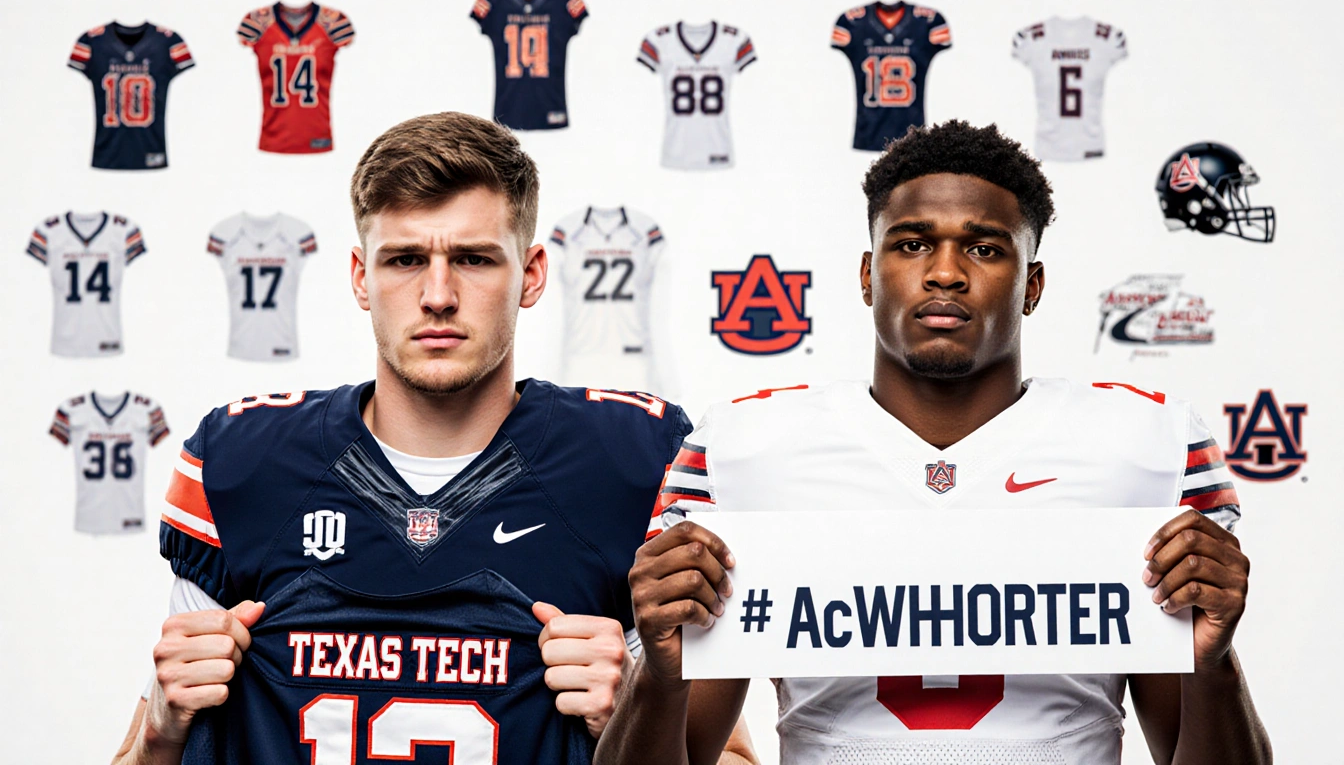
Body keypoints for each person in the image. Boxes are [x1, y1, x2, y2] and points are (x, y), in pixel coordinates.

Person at [597, 121, 1272, 764]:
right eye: (913, 242)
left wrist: (1213, 661)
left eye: (984, 247)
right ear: (867, 274)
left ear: (1032, 285)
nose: (946, 272)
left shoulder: (1144, 446)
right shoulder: (742, 450)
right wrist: (660, 671)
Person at [108, 112, 752, 764]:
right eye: (406, 259)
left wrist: (632, 713)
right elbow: (142, 750)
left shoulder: (632, 462)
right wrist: (162, 729)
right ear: (361, 277)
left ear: (531, 274)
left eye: (473, 259)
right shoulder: (245, 461)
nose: (438, 295)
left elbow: (729, 757)